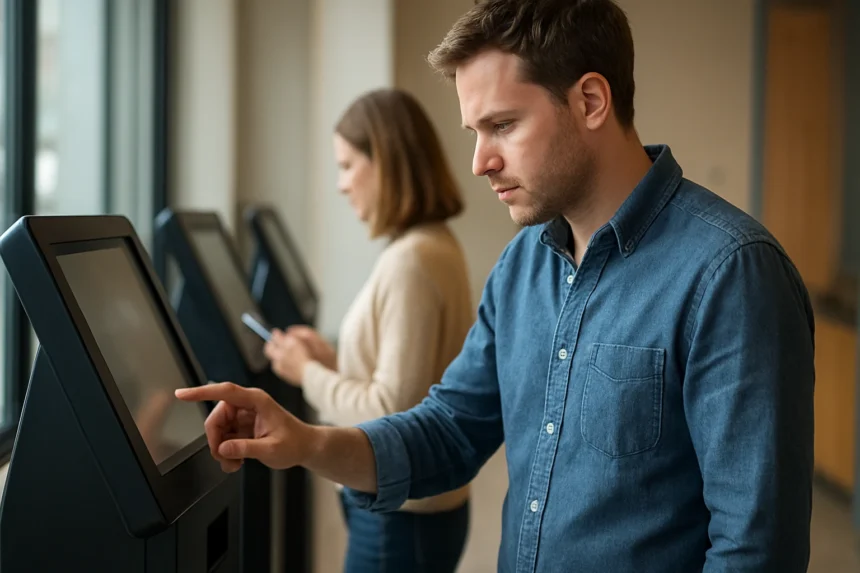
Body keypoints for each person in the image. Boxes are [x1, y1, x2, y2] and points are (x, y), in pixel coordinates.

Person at [177, 1, 816, 571]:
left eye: (503, 125)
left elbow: (754, 549)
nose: (480, 160)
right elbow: (449, 431)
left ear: (591, 101)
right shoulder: (522, 267)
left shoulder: (730, 272)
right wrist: (306, 442)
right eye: (474, 132)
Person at [260, 88, 474, 573]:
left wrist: (308, 374)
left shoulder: (412, 261)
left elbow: (390, 413)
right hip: (410, 511)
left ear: (387, 162)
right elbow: (411, 381)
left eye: (348, 165)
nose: (341, 184)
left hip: (400, 517)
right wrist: (335, 363)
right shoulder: (432, 245)